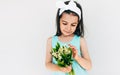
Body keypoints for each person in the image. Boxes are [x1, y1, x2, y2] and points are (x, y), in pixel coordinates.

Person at [45, 0, 92, 75]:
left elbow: (89, 66)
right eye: (64, 23)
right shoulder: (51, 41)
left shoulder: (80, 40)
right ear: (59, 21)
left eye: (73, 25)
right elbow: (47, 64)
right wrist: (59, 68)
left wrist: (77, 58)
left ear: (77, 24)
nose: (68, 28)